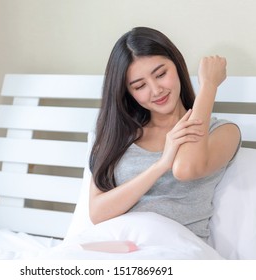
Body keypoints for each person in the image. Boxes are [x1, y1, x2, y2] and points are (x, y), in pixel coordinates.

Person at [88, 27, 241, 241]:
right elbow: (97, 214)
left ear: (177, 66)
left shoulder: (223, 132)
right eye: (139, 86)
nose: (156, 90)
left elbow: (186, 169)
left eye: (161, 74)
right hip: (115, 248)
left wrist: (208, 85)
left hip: (174, 251)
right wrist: (160, 165)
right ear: (128, 93)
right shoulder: (117, 137)